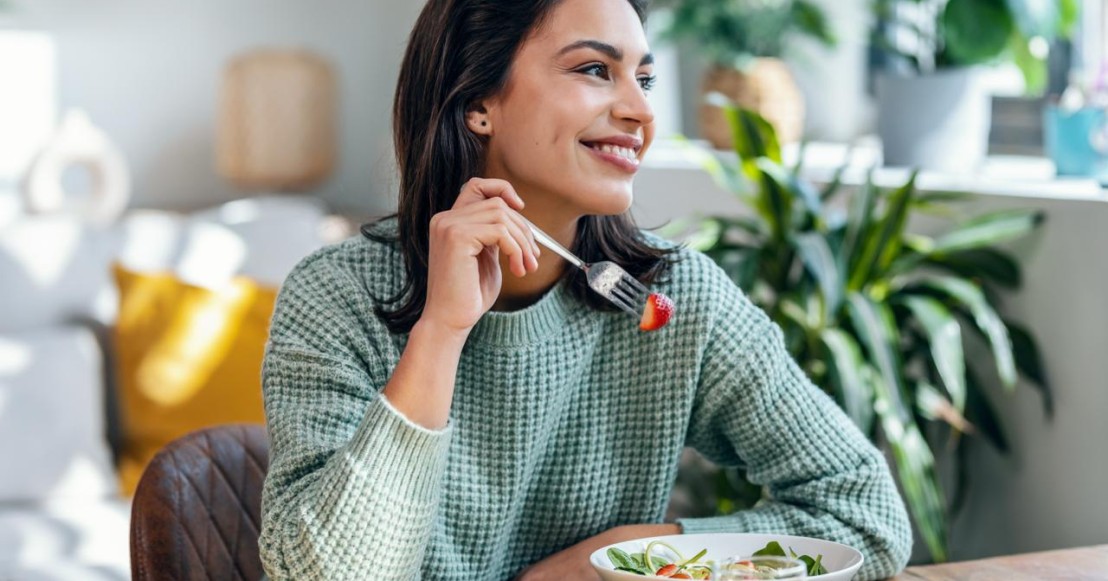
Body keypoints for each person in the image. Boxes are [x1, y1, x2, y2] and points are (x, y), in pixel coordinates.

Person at [258, 0, 913, 579]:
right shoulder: (336, 297)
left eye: (645, 78)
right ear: (479, 102)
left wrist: (622, 555)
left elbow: (867, 513)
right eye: (596, 70)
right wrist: (441, 331)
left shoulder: (675, 299)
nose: (640, 111)